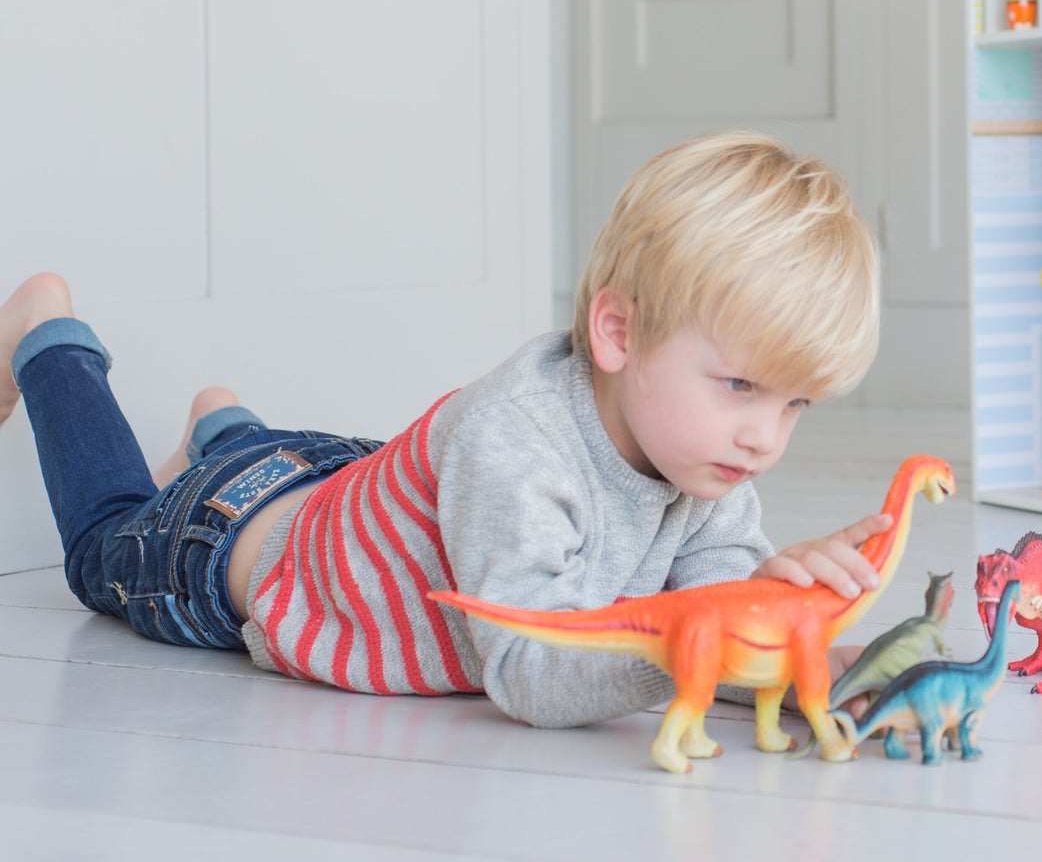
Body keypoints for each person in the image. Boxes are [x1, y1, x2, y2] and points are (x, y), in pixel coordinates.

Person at [0, 132, 891, 729]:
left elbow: (708, 619)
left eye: (794, 404)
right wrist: (711, 635)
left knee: (301, 473)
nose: (765, 437)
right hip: (225, 543)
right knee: (101, 540)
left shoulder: (704, 459)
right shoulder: (513, 441)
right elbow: (533, 670)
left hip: (342, 483)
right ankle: (48, 341)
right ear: (619, 333)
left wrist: (787, 634)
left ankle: (224, 428)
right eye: (740, 384)